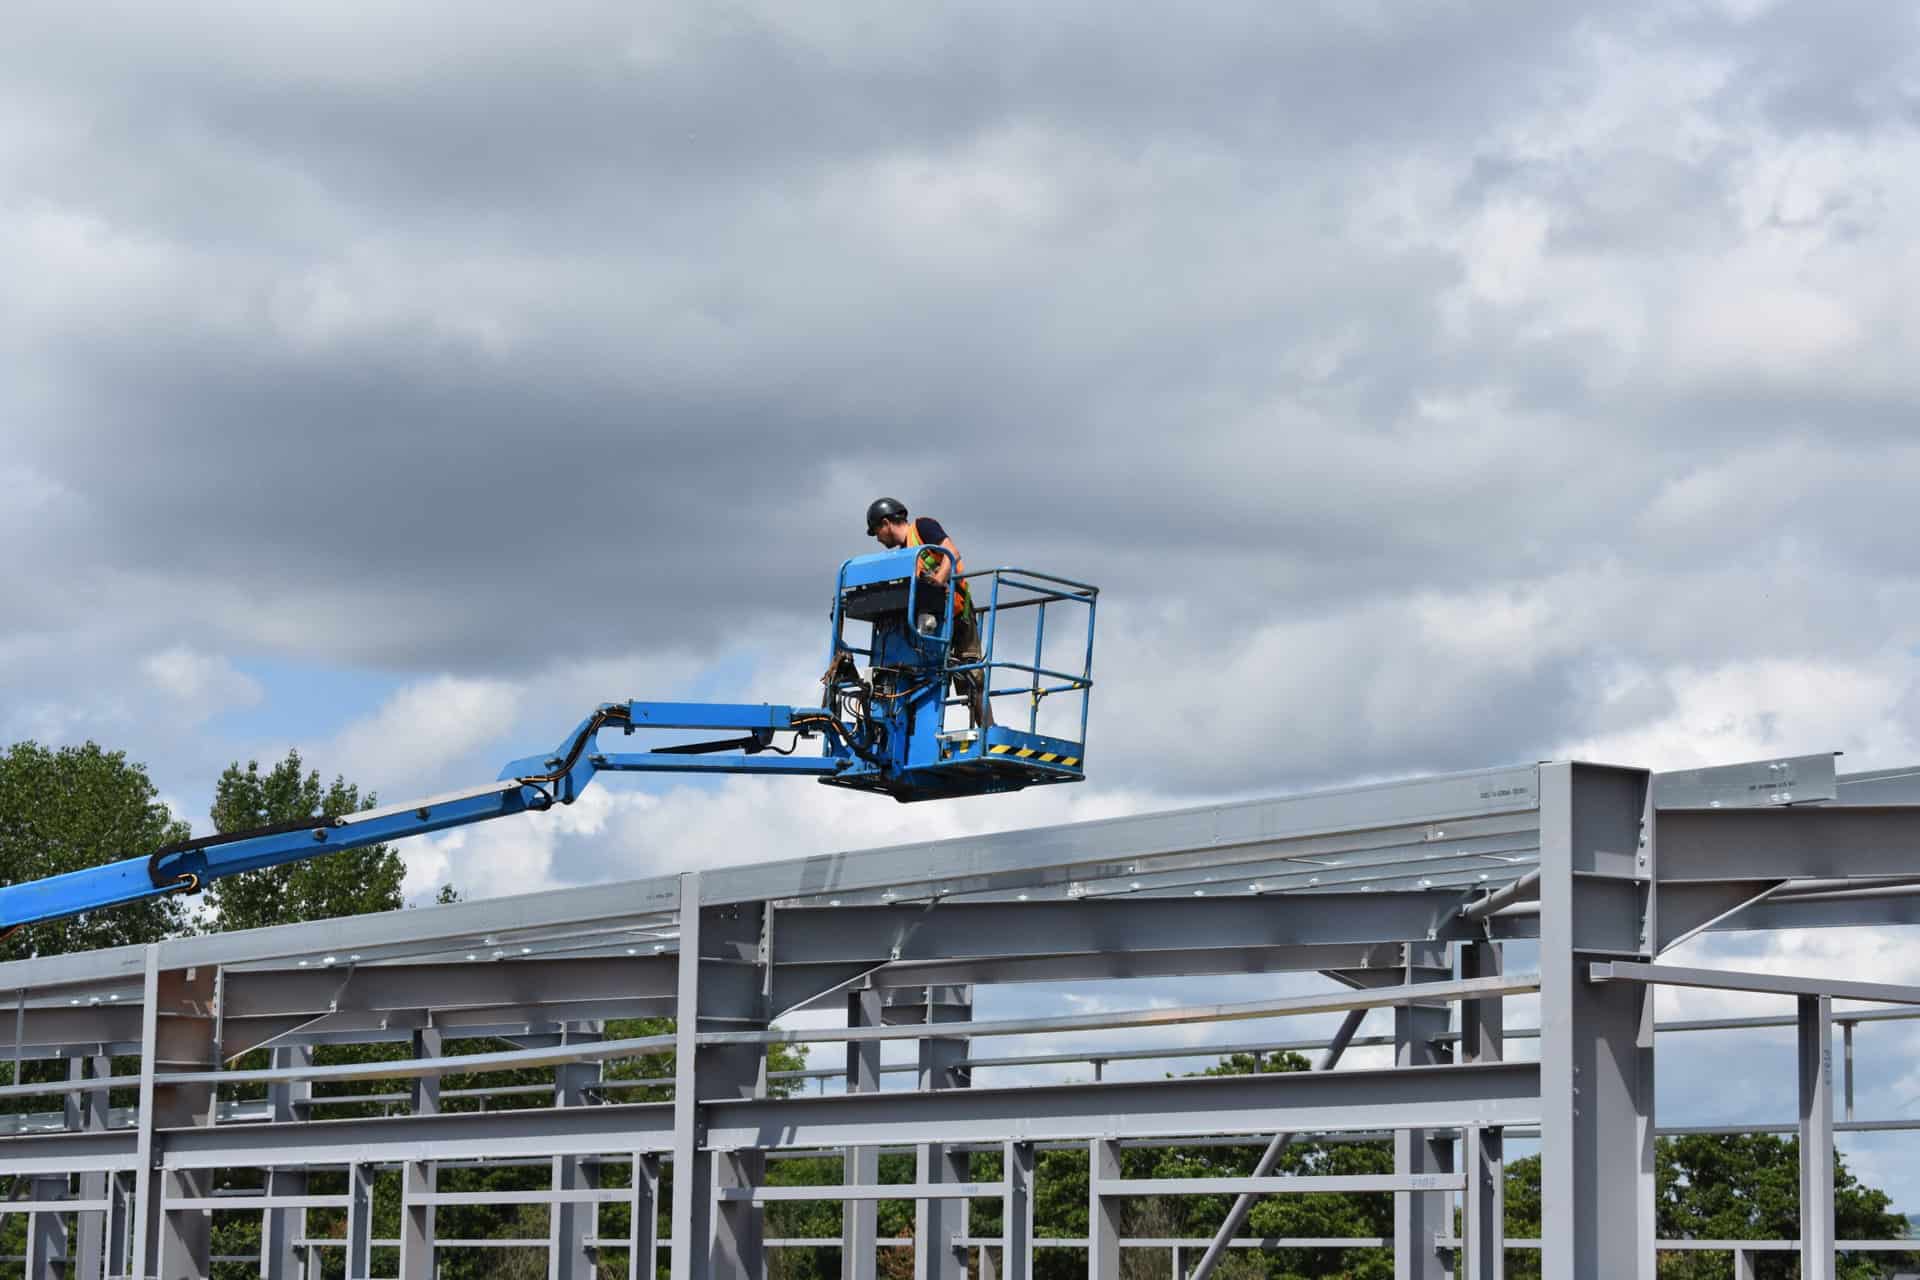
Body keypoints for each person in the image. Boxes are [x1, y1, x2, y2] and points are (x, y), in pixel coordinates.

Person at [865, 497, 994, 729]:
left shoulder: (922, 527)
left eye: (876, 531)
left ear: (886, 523)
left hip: (956, 615)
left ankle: (987, 730)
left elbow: (951, 552)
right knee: (923, 674)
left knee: (971, 674)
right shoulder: (903, 554)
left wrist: (938, 580)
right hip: (930, 620)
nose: (878, 538)